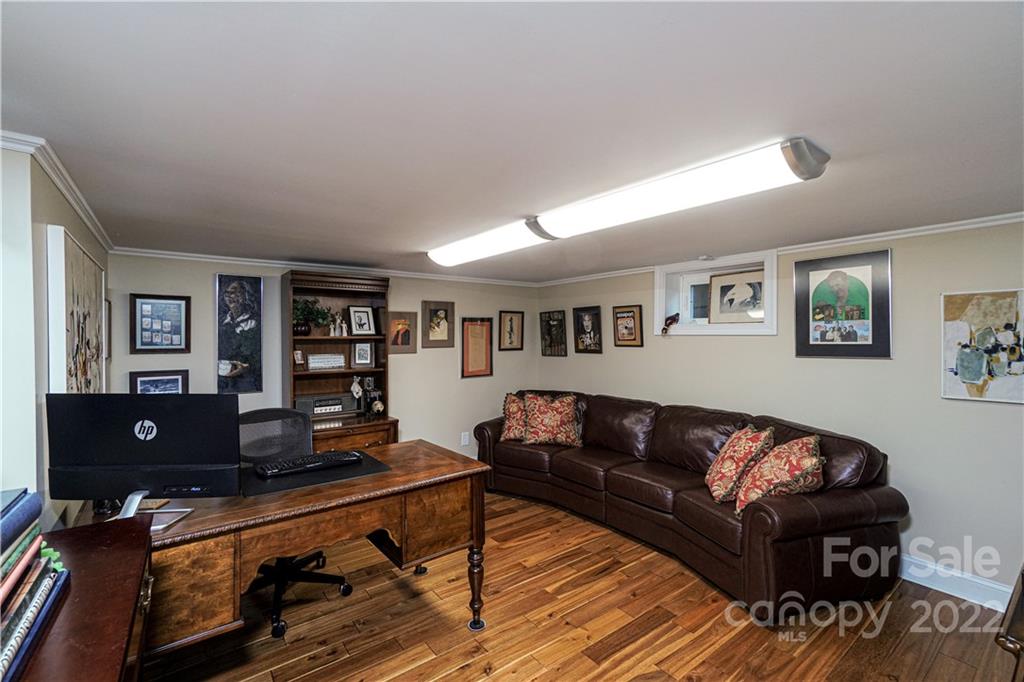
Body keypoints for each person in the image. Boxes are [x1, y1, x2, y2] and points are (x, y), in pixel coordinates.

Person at [218, 278, 261, 393]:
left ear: (245, 296)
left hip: (247, 381)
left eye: (235, 292)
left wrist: (247, 367)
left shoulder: (256, 323)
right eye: (227, 293)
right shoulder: (220, 321)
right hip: (222, 380)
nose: (230, 296)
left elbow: (258, 356)